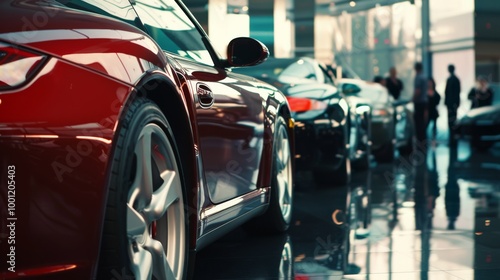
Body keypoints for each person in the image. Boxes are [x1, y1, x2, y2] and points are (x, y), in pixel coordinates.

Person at [412, 62, 428, 145]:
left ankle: (420, 140)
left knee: (418, 122)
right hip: (424, 102)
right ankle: (423, 140)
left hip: (419, 103)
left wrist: (413, 99)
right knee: (422, 121)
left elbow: (418, 91)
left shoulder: (418, 77)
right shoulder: (424, 77)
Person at [444, 64, 461, 140]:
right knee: (452, 118)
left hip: (451, 103)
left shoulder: (452, 79)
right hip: (452, 103)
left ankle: (453, 134)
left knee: (451, 118)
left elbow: (449, 92)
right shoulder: (455, 79)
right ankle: (452, 134)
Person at [427, 77, 441, 144]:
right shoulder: (425, 92)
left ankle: (434, 140)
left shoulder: (435, 93)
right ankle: (426, 139)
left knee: (434, 127)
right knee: (426, 126)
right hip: (427, 111)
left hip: (433, 111)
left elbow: (438, 99)